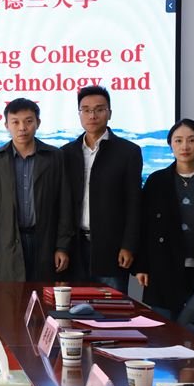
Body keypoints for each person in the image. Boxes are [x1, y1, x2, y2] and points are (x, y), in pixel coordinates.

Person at [135, 119, 194, 319]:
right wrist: (141, 266)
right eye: (178, 140)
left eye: (191, 140)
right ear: (170, 145)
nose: (185, 146)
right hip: (164, 267)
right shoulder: (156, 181)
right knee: (164, 329)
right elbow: (144, 227)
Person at [0, 98, 73, 281]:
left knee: (43, 295)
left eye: (28, 121)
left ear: (38, 122)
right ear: (6, 125)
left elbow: (64, 205)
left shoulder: (54, 157)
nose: (22, 128)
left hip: (44, 241)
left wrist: (62, 246)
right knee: (10, 296)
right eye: (15, 122)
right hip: (8, 243)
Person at [61, 86, 143, 293]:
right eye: (86, 110)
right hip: (75, 248)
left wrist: (128, 245)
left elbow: (134, 204)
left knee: (111, 308)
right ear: (79, 114)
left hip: (111, 248)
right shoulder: (66, 153)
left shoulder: (128, 152)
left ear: (109, 113)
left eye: (99, 109)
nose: (92, 115)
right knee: (75, 307)